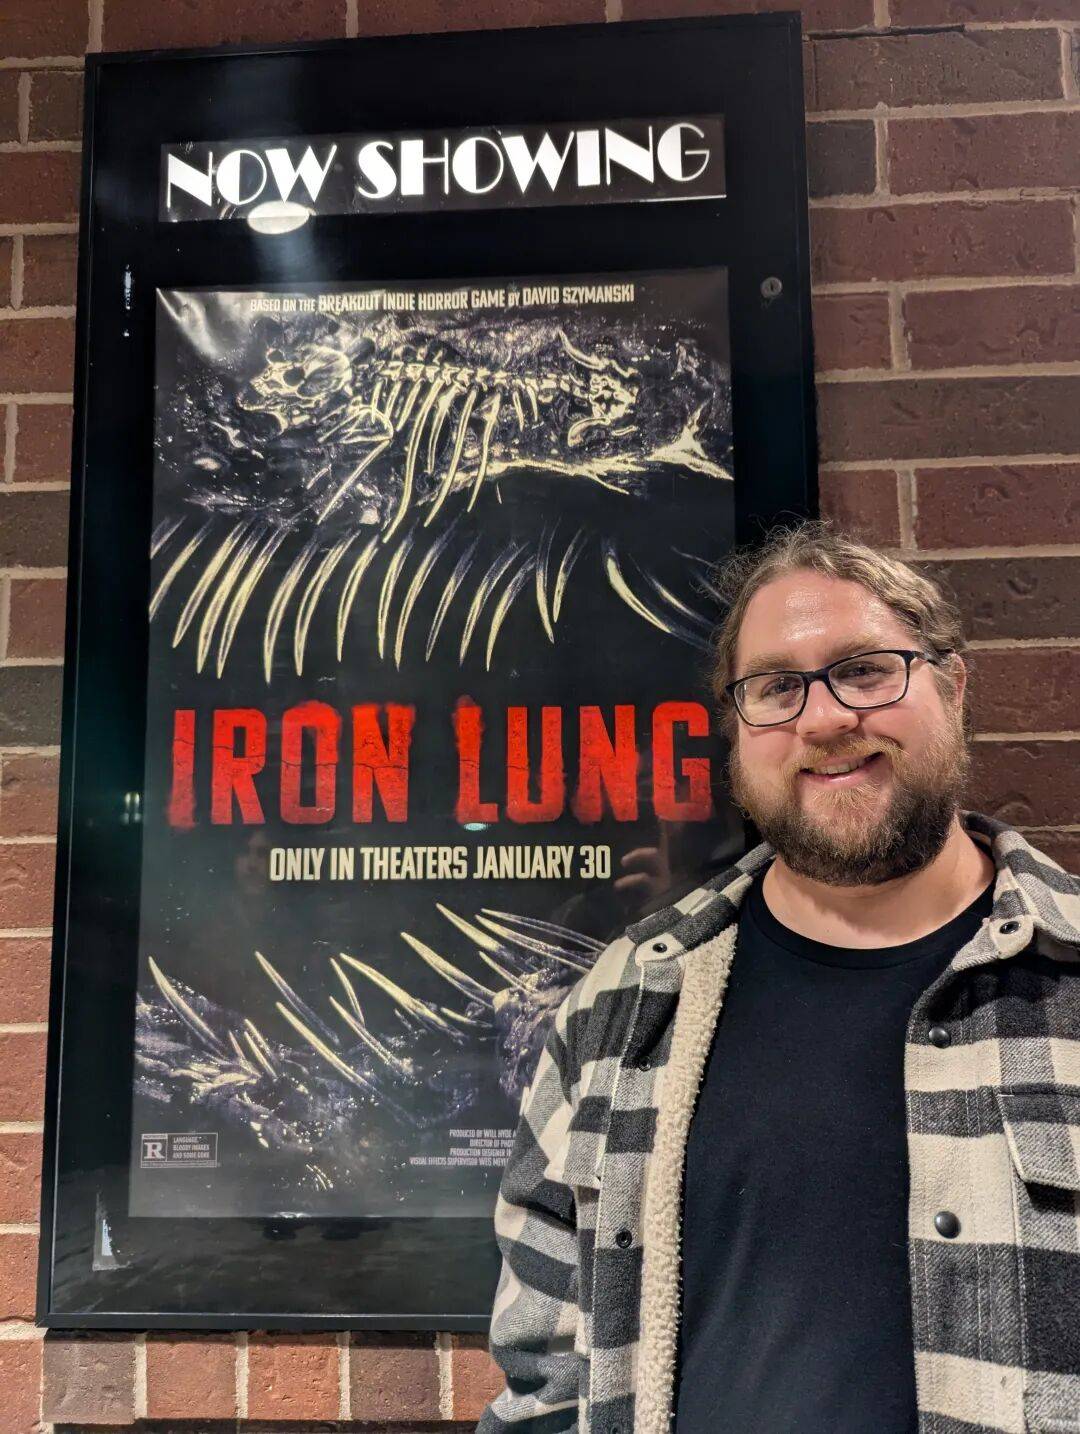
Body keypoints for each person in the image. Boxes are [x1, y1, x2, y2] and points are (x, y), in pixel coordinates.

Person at [478, 523, 1080, 1434]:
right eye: (776, 688)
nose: (825, 719)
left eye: (866, 670)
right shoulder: (622, 1004)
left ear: (953, 687)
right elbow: (544, 1376)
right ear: (738, 731)